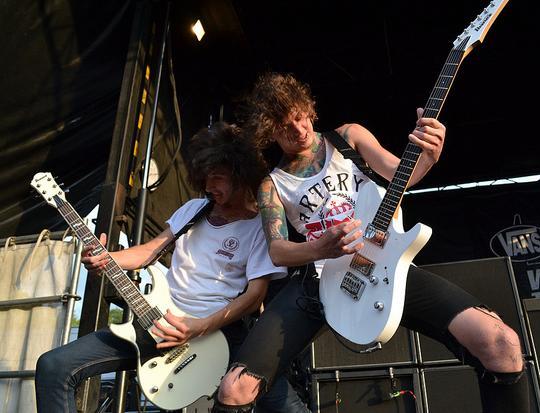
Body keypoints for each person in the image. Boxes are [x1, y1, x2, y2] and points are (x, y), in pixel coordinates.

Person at [212, 73, 530, 413]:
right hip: (318, 282)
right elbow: (278, 250)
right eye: (286, 126)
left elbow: (399, 174)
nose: (299, 130)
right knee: (235, 388)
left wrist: (427, 157)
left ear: (309, 109)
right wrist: (320, 249)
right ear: (269, 132)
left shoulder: (348, 137)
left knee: (502, 344)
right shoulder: (271, 185)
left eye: (300, 117)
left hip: (382, 267)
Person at [34, 121, 310, 413]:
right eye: (204, 178)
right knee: (53, 366)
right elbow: (149, 251)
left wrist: (200, 327)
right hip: (159, 322)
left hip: (218, 333)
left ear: (241, 175)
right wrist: (106, 258)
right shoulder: (193, 210)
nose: (208, 187)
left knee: (284, 405)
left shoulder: (259, 226)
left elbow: (255, 295)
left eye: (217, 177)